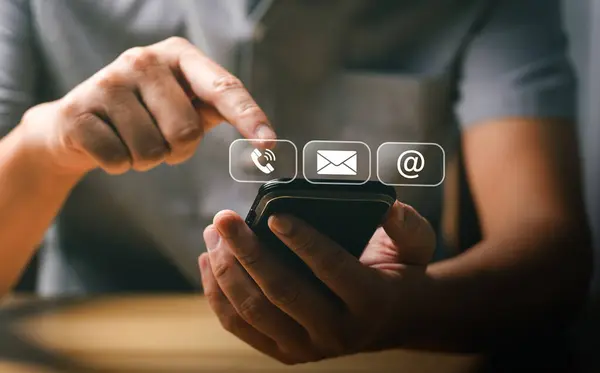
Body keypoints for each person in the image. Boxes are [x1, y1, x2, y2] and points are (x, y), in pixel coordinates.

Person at [0, 0, 592, 363]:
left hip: (387, 359)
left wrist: (413, 307)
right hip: (98, 344)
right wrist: (46, 141)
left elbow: (550, 252)